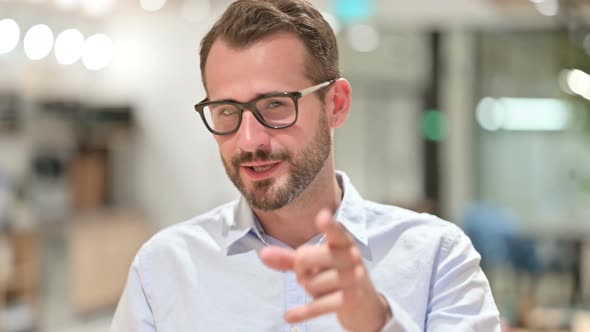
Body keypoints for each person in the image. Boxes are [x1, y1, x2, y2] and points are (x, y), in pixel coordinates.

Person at [111, 0, 501, 331]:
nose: (249, 141)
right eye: (227, 111)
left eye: (276, 105)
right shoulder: (163, 269)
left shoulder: (437, 257)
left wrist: (378, 324)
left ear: (336, 105)